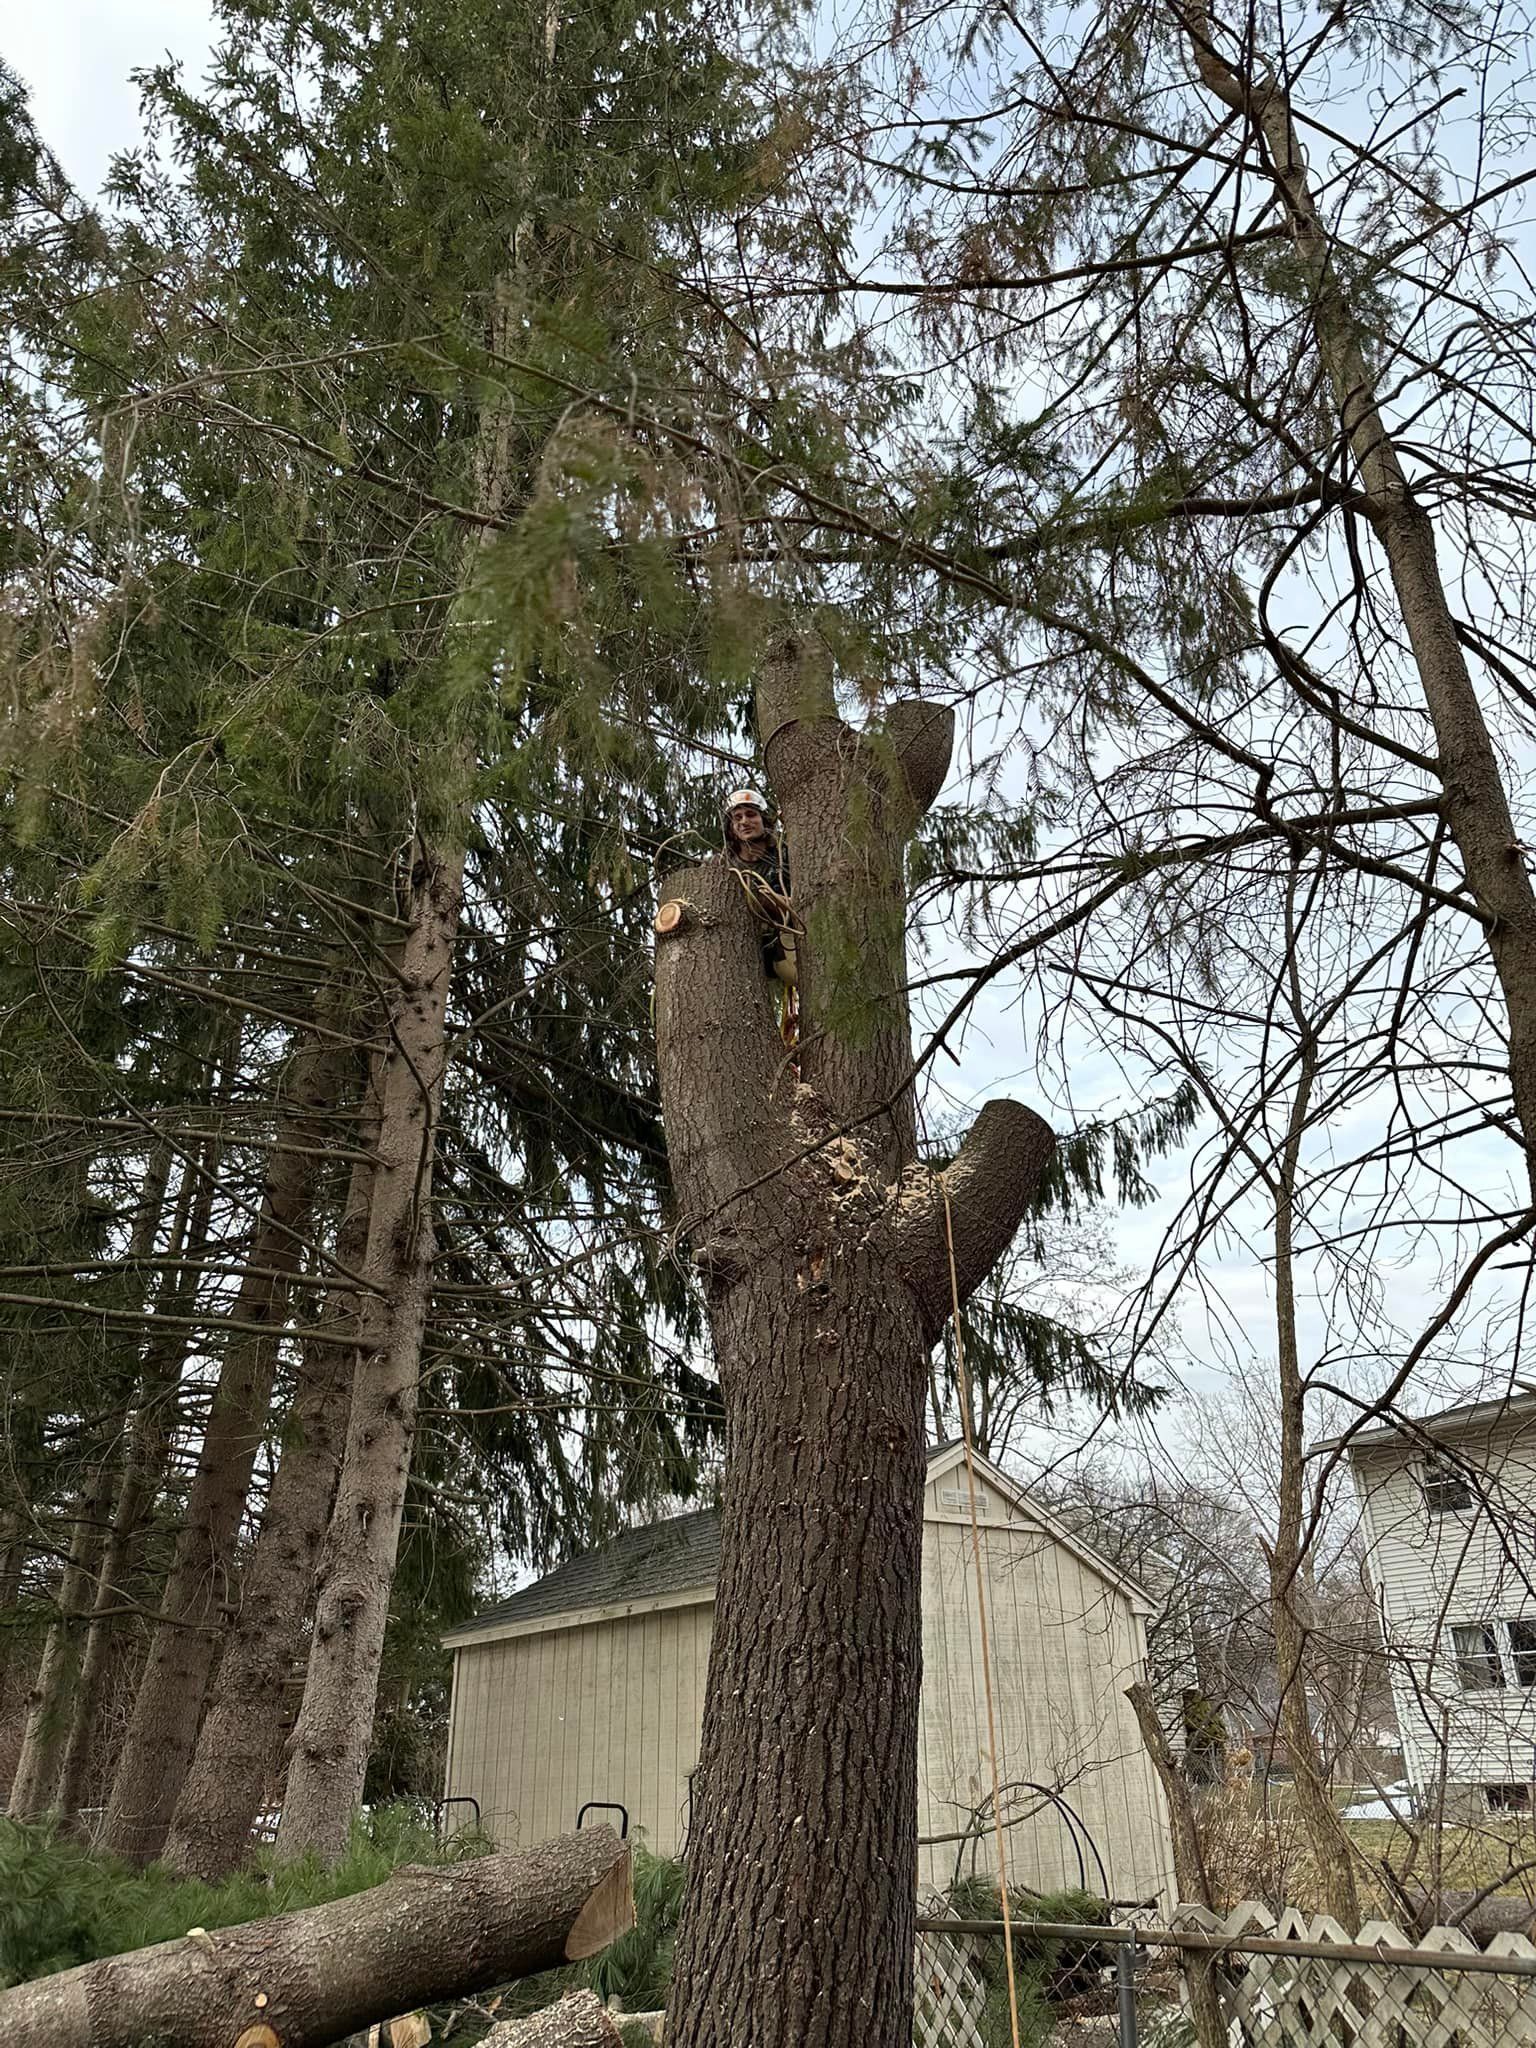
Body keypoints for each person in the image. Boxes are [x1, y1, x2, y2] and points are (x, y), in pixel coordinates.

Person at [722, 789, 799, 1031]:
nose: (744, 821)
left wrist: (769, 900)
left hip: (785, 944)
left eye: (751, 815)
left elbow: (804, 903)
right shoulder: (722, 866)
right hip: (742, 946)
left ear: (764, 820)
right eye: (737, 817)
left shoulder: (787, 856)